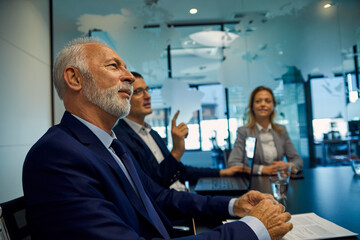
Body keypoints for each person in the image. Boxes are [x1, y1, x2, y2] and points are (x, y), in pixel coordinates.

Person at [22, 37, 292, 240]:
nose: (128, 77)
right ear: (75, 78)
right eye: (114, 66)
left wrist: (234, 205)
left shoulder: (111, 145)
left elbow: (161, 196)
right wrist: (254, 228)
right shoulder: (56, 157)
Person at [113, 72, 249, 190]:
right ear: (125, 97)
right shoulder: (120, 138)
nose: (147, 96)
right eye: (138, 92)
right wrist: (177, 151)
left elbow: (180, 171)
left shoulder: (152, 133)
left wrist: (223, 172)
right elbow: (153, 186)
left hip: (182, 192)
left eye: (147, 90)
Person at [227, 86, 303, 175]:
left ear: (273, 105)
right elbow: (233, 163)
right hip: (254, 183)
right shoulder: (244, 132)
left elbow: (298, 160)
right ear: (252, 106)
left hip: (278, 182)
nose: (263, 104)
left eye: (267, 101)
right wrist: (261, 169)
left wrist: (289, 166)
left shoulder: (281, 130)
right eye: (258, 101)